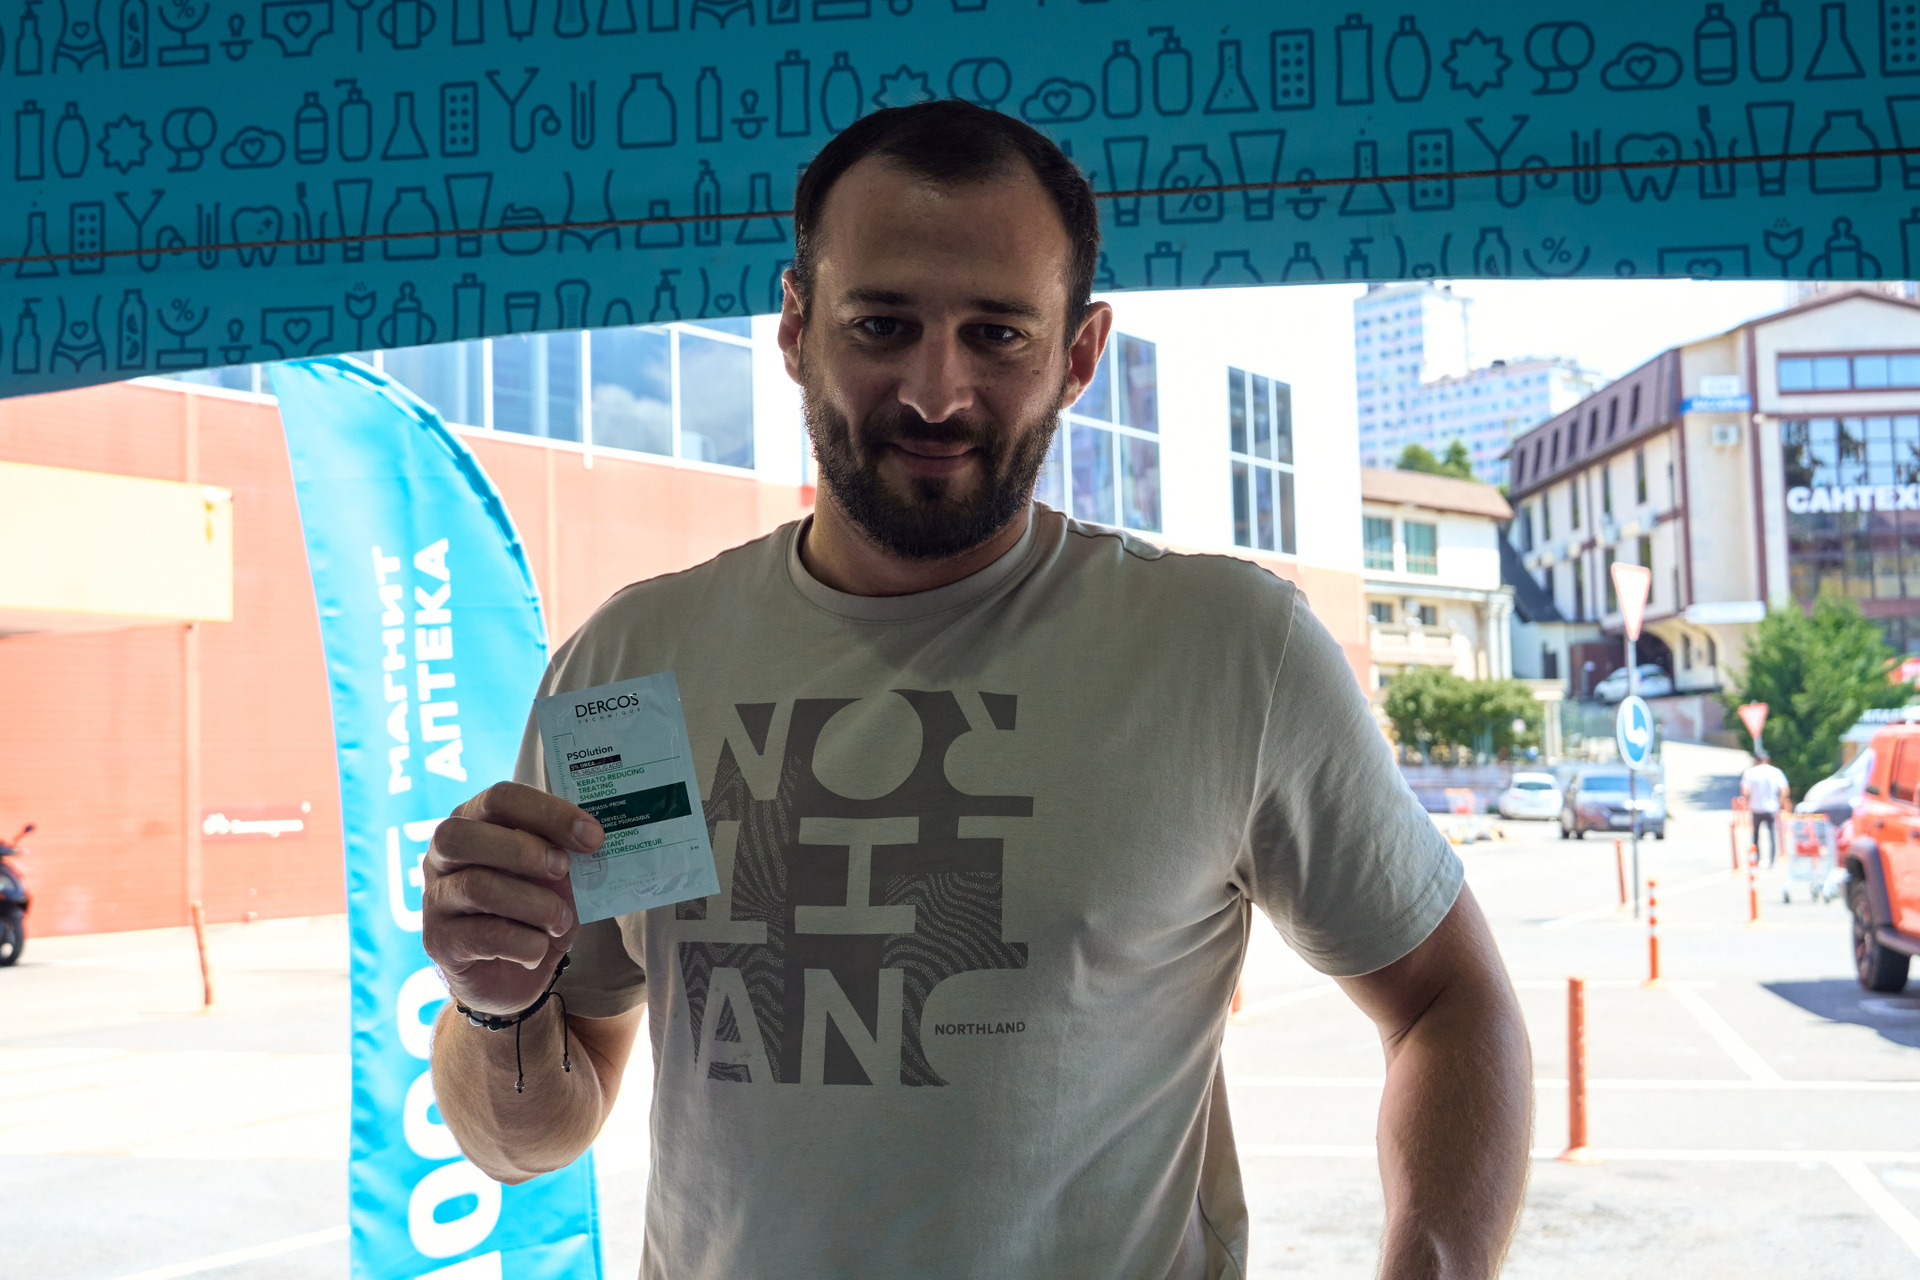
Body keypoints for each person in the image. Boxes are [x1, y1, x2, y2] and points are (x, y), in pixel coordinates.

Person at [423, 100, 1532, 1278]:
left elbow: (1450, 1002)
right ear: (796, 327)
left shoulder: (1222, 652)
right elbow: (529, 1135)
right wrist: (496, 1002)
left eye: (997, 333)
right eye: (882, 324)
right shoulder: (639, 669)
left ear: (1080, 355)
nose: (936, 392)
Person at [1742, 751, 1792, 867]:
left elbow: (1745, 791)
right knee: (1772, 834)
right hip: (1771, 807)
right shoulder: (1775, 772)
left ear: (1756, 760)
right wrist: (1779, 803)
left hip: (1755, 807)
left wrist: (1749, 801)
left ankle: (1756, 859)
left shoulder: (1750, 773)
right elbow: (1784, 790)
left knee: (1755, 835)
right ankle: (1772, 860)